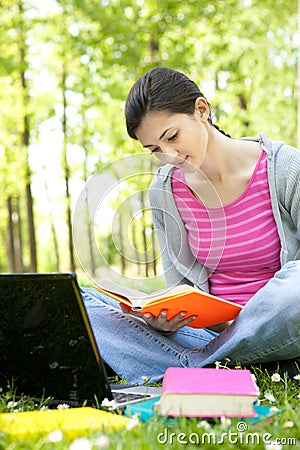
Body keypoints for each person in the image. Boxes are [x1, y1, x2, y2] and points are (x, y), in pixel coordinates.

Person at [82, 67, 300, 384]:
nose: (168, 155)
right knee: (86, 302)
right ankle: (215, 363)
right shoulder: (165, 190)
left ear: (201, 110)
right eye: (154, 149)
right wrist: (165, 319)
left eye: (172, 137)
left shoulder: (285, 168)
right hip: (206, 337)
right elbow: (182, 288)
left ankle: (188, 366)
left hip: (281, 325)